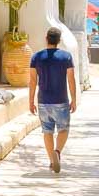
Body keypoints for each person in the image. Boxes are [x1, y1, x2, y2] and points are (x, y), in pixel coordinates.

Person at [28, 27, 77, 174]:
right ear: (59, 41)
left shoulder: (36, 57)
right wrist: (74, 99)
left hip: (43, 101)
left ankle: (51, 160)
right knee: (63, 130)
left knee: (47, 131)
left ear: (46, 38)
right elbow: (71, 79)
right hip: (61, 100)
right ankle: (57, 152)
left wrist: (31, 101)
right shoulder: (66, 57)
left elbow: (32, 81)